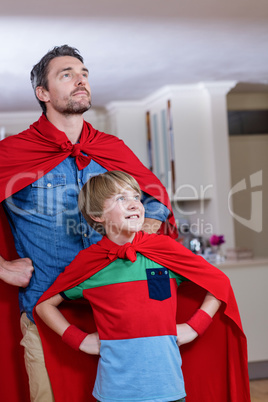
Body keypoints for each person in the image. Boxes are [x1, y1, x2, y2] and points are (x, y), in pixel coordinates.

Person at [0, 45, 176, 402]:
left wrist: (146, 227)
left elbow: (156, 198)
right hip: (47, 312)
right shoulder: (13, 151)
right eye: (66, 74)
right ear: (43, 93)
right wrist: (2, 267)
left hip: (118, 314)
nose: (81, 80)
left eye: (84, 73)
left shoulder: (112, 149)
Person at [34, 171, 251, 402]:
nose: (133, 204)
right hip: (113, 392)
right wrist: (80, 340)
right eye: (120, 198)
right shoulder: (90, 263)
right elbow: (44, 305)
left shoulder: (164, 250)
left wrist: (194, 327)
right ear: (97, 215)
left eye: (136, 197)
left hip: (169, 388)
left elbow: (219, 283)